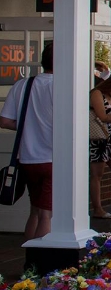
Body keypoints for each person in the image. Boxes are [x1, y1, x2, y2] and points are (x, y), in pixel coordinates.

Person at [0, 43, 54, 241]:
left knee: (35, 211)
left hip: (28, 158)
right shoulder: (63, 87)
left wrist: (29, 125)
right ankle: (41, 262)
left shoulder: (23, 84)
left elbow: (5, 120)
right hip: (52, 158)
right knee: (46, 214)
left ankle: (29, 259)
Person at [89, 73, 111, 219]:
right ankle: (97, 208)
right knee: (97, 174)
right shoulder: (97, 93)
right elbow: (102, 116)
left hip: (110, 139)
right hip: (98, 138)